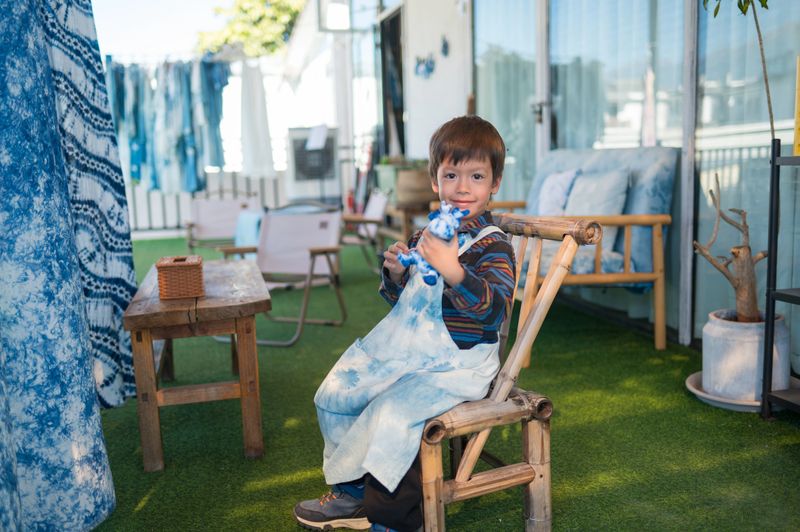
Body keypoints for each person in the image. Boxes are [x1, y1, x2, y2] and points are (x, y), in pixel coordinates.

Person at [293, 116, 516, 532]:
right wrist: (396, 274)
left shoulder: (493, 245)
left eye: (476, 176)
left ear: (494, 184)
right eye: (451, 175)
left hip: (460, 365)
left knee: (395, 413)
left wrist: (454, 271)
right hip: (411, 353)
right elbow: (407, 304)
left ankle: (394, 518)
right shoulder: (424, 236)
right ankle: (354, 491)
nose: (462, 187)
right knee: (337, 392)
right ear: (435, 180)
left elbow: (494, 310)